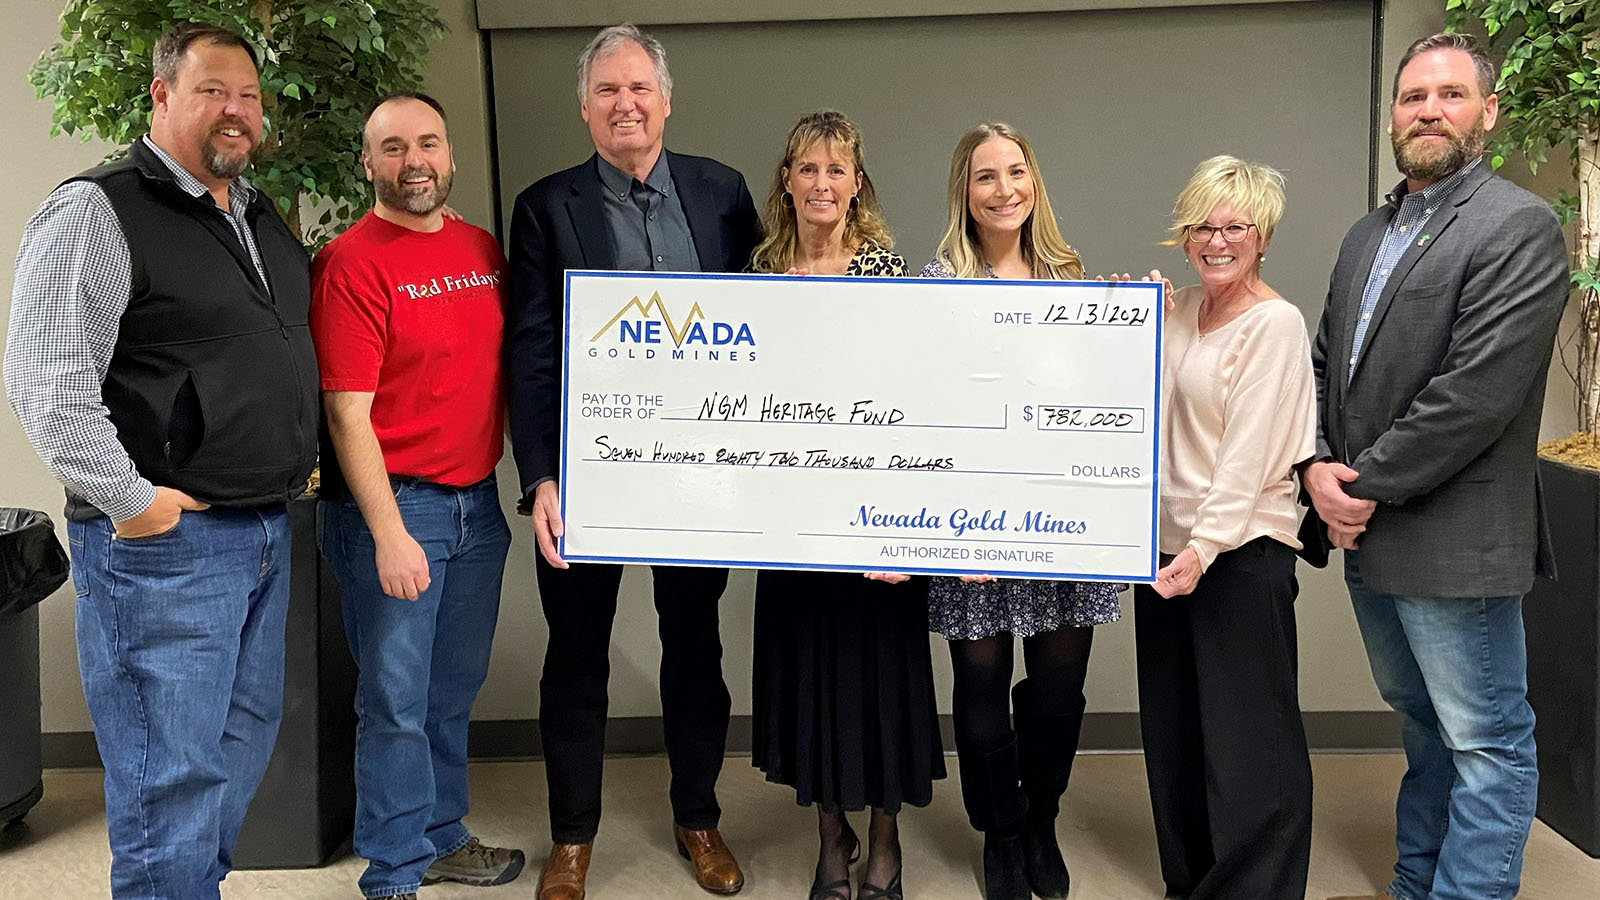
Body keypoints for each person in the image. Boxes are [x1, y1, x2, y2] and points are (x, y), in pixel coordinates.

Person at [3, 22, 317, 899]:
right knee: (169, 779)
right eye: (214, 89)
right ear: (162, 96)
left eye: (249, 96)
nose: (236, 110)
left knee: (235, 751)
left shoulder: (253, 213)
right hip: (164, 551)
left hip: (261, 531)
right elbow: (46, 384)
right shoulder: (99, 209)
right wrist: (132, 501)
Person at [1306, 33, 1569, 900]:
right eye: (1413, 96)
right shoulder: (1365, 234)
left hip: (1455, 542)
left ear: (1487, 112)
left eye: (1450, 95)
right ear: (1393, 115)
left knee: (1487, 741)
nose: (1428, 111)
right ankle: (1416, 884)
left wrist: (1358, 486)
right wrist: (1314, 466)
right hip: (1371, 539)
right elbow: (1322, 363)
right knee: (1423, 726)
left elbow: (1476, 394)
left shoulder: (1518, 226)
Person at [505, 23, 761, 900]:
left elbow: (772, 331)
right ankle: (572, 839)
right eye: (607, 91)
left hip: (699, 476)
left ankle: (699, 816)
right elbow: (532, 351)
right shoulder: (546, 207)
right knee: (576, 656)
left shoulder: (723, 193)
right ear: (585, 107)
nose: (625, 104)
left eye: (639, 88)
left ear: (665, 99)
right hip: (588, 478)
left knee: (696, 647)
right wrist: (541, 478)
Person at [310, 92, 522, 900]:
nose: (414, 162)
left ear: (450, 154)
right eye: (393, 149)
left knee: (448, 693)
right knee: (395, 701)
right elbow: (345, 412)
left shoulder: (480, 248)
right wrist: (390, 531)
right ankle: (394, 870)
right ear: (368, 165)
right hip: (398, 510)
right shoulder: (350, 264)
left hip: (478, 506)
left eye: (427, 143)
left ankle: (441, 835)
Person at [921, 123, 1120, 900]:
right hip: (974, 529)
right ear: (964, 195)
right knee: (980, 694)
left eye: (1016, 171)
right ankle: (998, 831)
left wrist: (1145, 323)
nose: (1004, 189)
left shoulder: (1080, 284)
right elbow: (926, 413)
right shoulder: (937, 288)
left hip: (1063, 527)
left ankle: (1041, 820)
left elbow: (1106, 401)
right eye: (985, 177)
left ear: (1034, 180)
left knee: (1059, 694)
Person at [748, 110, 944, 900]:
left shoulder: (889, 272)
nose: (822, 183)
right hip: (796, 520)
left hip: (879, 521)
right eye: (808, 169)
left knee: (882, 680)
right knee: (813, 679)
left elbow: (919, 396)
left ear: (857, 184)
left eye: (838, 170)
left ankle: (887, 842)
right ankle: (831, 837)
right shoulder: (757, 277)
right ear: (787, 182)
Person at [1136, 155, 1315, 900]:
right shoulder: (1177, 312)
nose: (1217, 239)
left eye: (1234, 225)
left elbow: (1243, 460)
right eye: (1202, 226)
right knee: (1176, 739)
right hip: (1166, 550)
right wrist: (1125, 315)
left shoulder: (1275, 324)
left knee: (1249, 748)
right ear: (1183, 237)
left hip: (1240, 553)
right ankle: (1193, 884)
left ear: (1262, 236)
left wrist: (1204, 549)